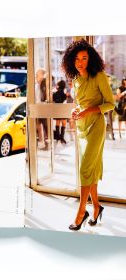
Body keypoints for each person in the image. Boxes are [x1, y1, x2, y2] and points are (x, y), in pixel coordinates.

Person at [61, 39, 115, 231]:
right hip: (82, 128)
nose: (80, 62)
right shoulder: (75, 79)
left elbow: (110, 104)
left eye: (84, 58)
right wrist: (76, 111)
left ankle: (81, 211)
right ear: (71, 61)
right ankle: (97, 207)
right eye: (77, 59)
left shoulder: (99, 76)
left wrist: (88, 111)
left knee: (85, 169)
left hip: (96, 126)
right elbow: (80, 103)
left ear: (90, 59)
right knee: (88, 170)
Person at [53, 80, 67, 144]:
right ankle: (62, 137)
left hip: (57, 110)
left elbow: (54, 100)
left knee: (58, 122)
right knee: (64, 123)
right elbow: (64, 101)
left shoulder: (55, 93)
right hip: (63, 109)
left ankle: (58, 137)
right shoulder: (64, 93)